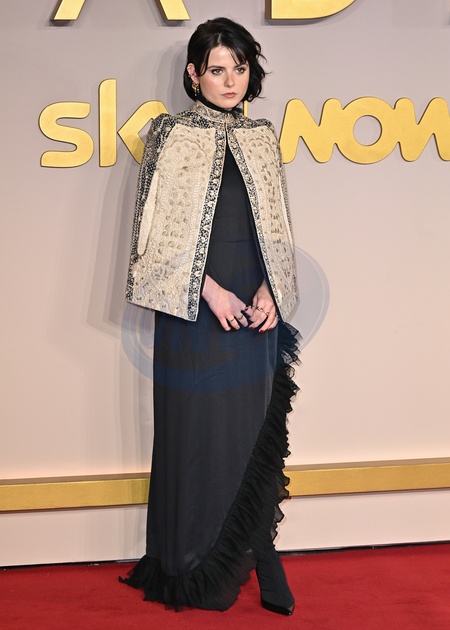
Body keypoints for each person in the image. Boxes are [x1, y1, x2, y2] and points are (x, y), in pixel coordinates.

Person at [120, 17, 300, 615]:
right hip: (195, 309)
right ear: (194, 75)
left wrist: (273, 287)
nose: (230, 81)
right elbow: (153, 236)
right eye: (217, 70)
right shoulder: (170, 135)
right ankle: (194, 566)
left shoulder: (262, 137)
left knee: (254, 435)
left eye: (239, 68)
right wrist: (209, 291)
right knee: (200, 437)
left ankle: (262, 556)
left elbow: (278, 227)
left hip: (255, 307)